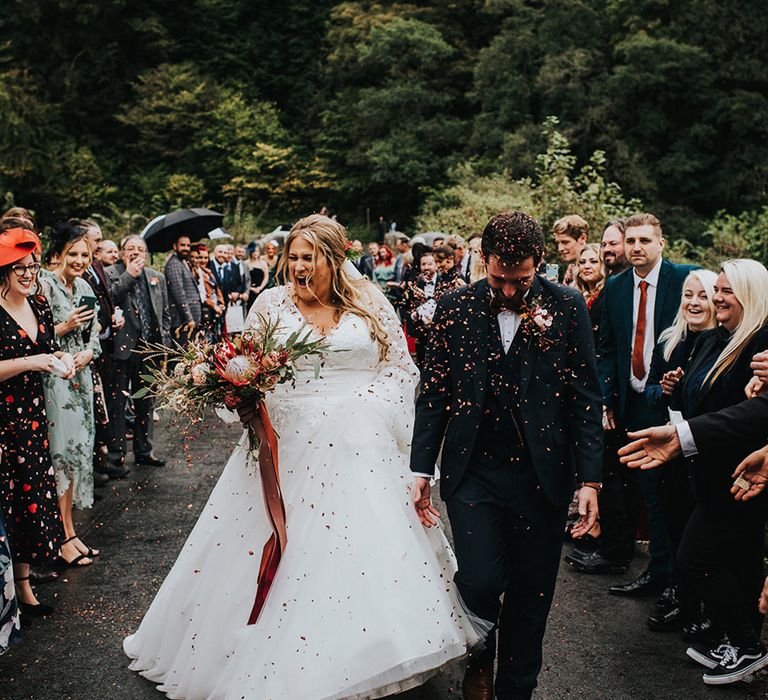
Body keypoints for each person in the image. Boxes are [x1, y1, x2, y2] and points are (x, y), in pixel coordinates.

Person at [124, 214, 483, 698]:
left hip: (362, 440)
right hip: (289, 441)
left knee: (367, 548)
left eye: (308, 258)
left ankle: (376, 652)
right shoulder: (270, 305)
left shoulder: (369, 303)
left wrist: (367, 404)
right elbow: (243, 363)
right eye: (292, 257)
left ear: (333, 260)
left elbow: (399, 368)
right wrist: (240, 394)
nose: (297, 266)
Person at [410, 211, 603, 699]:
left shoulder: (567, 304)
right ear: (483, 260)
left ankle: (517, 690)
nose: (510, 290)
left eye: (520, 280)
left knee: (531, 594)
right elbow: (434, 392)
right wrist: (420, 469)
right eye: (499, 278)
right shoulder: (455, 306)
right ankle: (480, 651)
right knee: (478, 579)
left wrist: (591, 481)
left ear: (539, 263)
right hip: (474, 469)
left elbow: (585, 395)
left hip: (544, 475)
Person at [619, 259, 768, 685]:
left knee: (696, 558)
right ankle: (739, 646)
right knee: (737, 562)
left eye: (726, 291)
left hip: (741, 475)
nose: (717, 297)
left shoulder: (761, 346)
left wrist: (681, 435)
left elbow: (753, 414)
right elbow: (699, 396)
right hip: (707, 472)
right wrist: (676, 386)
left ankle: (748, 645)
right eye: (715, 289)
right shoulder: (714, 339)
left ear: (751, 294)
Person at [596, 212, 698, 596]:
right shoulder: (617, 286)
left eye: (644, 240)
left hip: (674, 400)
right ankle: (658, 573)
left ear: (661, 243)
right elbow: (607, 347)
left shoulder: (685, 279)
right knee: (647, 492)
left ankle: (680, 582)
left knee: (677, 495)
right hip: (632, 400)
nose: (636, 248)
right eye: (631, 241)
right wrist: (607, 397)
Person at [0, 227, 70, 617]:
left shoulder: (40, 305)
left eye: (32, 266)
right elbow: (27, 359)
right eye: (19, 268)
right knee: (6, 501)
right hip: (2, 419)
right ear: (4, 270)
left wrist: (64, 359)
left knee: (29, 498)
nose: (28, 274)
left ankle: (24, 588)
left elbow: (46, 349)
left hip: (31, 417)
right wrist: (32, 362)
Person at [39, 222, 102, 565]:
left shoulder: (85, 286)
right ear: (58, 255)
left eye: (84, 254)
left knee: (78, 455)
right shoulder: (45, 285)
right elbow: (33, 334)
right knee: (61, 457)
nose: (79, 260)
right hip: (56, 380)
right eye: (73, 254)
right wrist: (65, 327)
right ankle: (61, 537)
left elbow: (95, 334)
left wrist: (89, 352)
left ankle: (71, 531)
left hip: (81, 376)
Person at [106, 236, 170, 470]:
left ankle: (145, 450)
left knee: (146, 402)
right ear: (122, 253)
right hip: (121, 349)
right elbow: (111, 297)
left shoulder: (156, 276)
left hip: (148, 347)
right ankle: (116, 457)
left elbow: (164, 313)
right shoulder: (111, 273)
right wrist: (129, 275)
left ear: (146, 254)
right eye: (130, 249)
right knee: (118, 403)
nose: (135, 252)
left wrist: (164, 343)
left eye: (140, 249)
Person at [164, 234, 201, 345]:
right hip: (182, 321)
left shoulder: (182, 262)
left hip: (188, 321)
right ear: (175, 246)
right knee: (182, 357)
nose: (186, 248)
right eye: (182, 245)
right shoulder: (174, 264)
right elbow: (179, 294)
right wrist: (189, 318)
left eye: (188, 245)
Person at [575, 243, 606, 344]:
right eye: (582, 262)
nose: (587, 266)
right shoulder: (577, 296)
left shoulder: (606, 295)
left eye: (593, 262)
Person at [553, 214, 589, 287]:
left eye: (565, 242)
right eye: (558, 243)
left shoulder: (594, 268)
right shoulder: (571, 269)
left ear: (582, 238)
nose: (560, 248)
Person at [245, 241, 269, 308]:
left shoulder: (263, 263)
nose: (255, 253)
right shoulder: (246, 263)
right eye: (254, 251)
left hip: (261, 289)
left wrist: (260, 287)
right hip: (249, 291)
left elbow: (266, 277)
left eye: (257, 251)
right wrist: (251, 288)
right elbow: (244, 279)